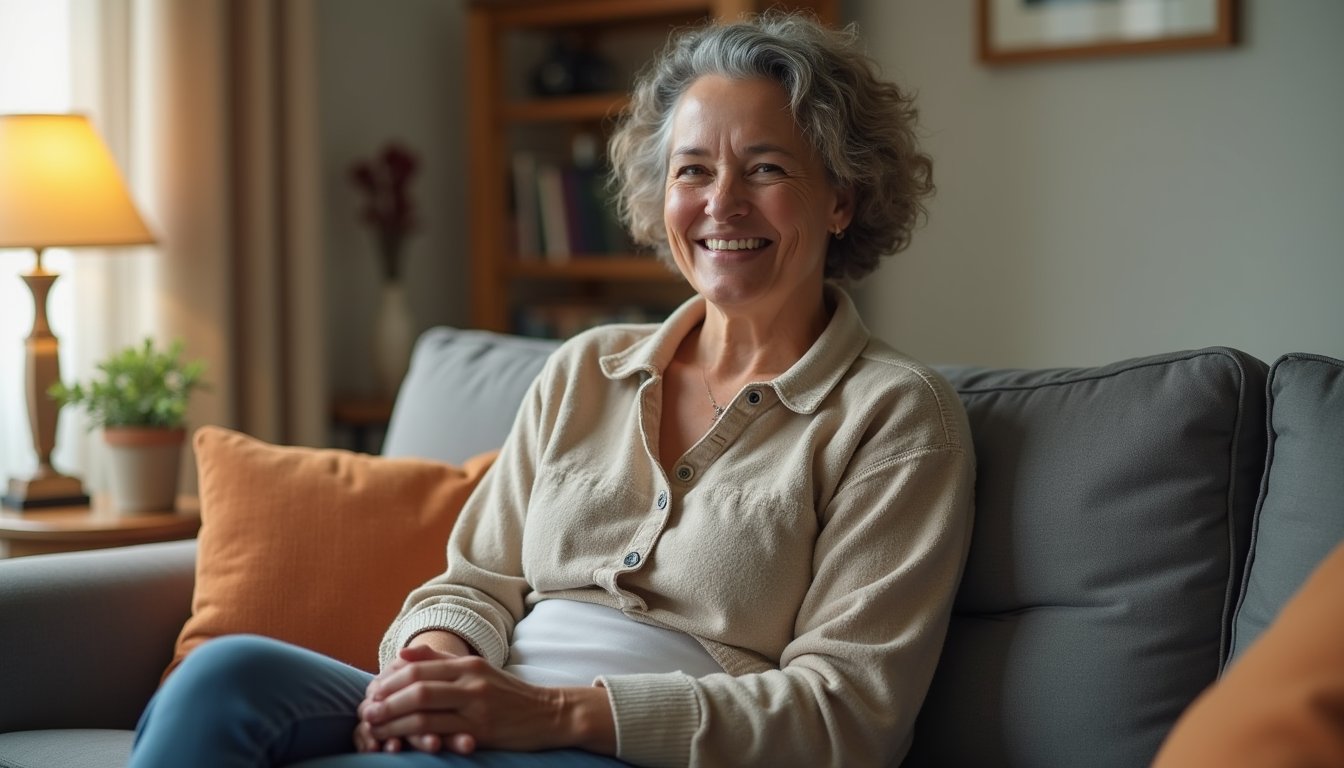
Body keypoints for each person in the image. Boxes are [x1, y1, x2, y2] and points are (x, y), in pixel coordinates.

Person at [130, 11, 974, 767]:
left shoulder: (894, 415)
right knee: (225, 675)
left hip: (639, 750)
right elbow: (476, 581)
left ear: (841, 198)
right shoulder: (586, 369)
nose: (722, 203)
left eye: (764, 169)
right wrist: (436, 661)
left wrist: (556, 716)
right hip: (502, 706)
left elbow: (849, 717)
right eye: (691, 171)